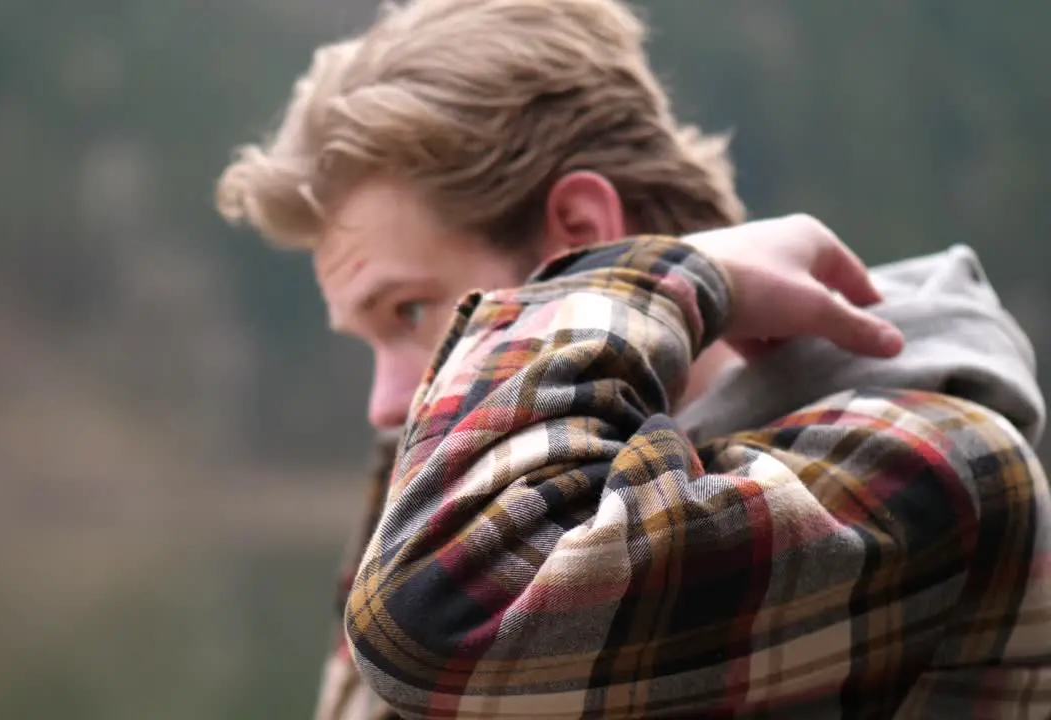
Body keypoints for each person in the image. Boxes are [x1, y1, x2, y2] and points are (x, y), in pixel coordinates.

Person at [215, 0, 1051, 717]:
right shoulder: (461, 478)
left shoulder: (930, 465)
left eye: (411, 311)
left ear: (584, 236)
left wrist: (660, 276)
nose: (386, 402)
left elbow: (441, 635)